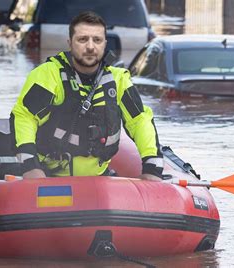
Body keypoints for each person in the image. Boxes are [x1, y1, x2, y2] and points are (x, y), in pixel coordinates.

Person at [9, 11, 163, 181]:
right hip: (52, 177)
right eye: (82, 39)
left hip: (99, 181)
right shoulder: (48, 75)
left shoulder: (118, 79)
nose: (90, 46)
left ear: (104, 44)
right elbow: (24, 117)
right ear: (70, 43)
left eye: (97, 40)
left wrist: (152, 168)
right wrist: (30, 167)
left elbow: (139, 121)